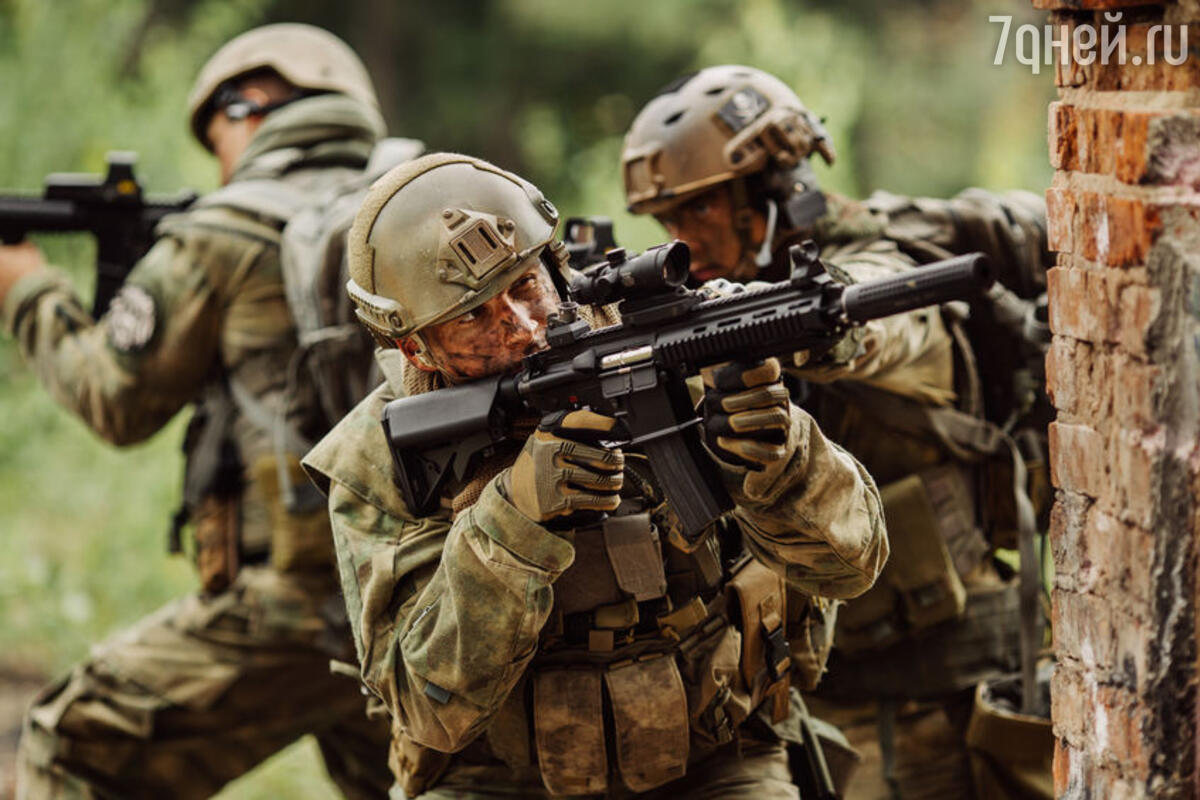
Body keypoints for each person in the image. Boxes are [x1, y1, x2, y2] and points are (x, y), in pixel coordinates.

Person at [301, 152, 890, 799]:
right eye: (474, 316)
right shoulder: (379, 456)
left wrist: (781, 463)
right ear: (414, 346)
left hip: (719, 759)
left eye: (526, 286)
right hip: (495, 782)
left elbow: (852, 570)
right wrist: (515, 522)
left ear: (556, 267)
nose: (522, 328)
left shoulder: (669, 349)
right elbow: (427, 707)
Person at [621, 65, 1054, 799]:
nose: (684, 239)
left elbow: (880, 323)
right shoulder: (710, 302)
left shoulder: (883, 265)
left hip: (941, 699)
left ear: (773, 188)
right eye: (669, 221)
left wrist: (796, 330)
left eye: (701, 210)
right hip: (819, 693)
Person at [0, 23, 401, 798]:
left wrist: (27, 289)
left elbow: (114, 400)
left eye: (215, 133)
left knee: (73, 743)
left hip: (296, 609)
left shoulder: (225, 231)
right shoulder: (419, 208)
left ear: (247, 108)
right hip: (418, 598)